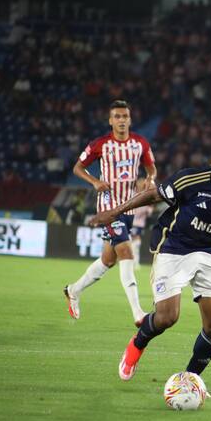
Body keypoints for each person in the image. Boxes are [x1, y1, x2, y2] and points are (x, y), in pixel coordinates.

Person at [89, 135, 211, 383]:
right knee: (167, 317)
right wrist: (114, 212)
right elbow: (153, 195)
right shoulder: (191, 180)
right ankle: (137, 344)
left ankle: (188, 380)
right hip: (174, 246)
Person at [64, 100, 157, 326]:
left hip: (129, 206)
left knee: (108, 259)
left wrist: (150, 179)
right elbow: (77, 168)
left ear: (130, 120)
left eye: (125, 116)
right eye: (117, 116)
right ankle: (138, 313)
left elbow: (151, 168)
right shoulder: (100, 144)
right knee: (126, 251)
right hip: (108, 207)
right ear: (110, 120)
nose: (121, 120)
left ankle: (73, 290)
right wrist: (95, 182)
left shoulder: (140, 144)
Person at [131, 179, 156, 270]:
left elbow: (149, 212)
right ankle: (131, 261)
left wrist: (150, 207)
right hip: (130, 221)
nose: (140, 184)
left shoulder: (146, 196)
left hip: (138, 223)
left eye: (142, 183)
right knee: (131, 243)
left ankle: (135, 262)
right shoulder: (132, 194)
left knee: (136, 243)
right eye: (139, 183)